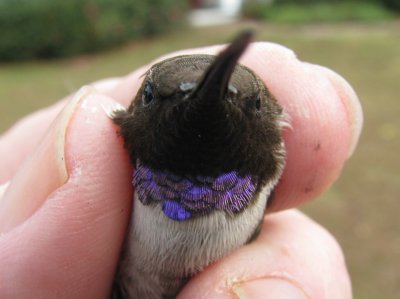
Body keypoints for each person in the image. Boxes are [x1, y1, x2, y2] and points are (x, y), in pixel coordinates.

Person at [0, 42, 362, 299]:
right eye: (152, 98)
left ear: (280, 127)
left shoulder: (263, 166)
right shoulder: (97, 166)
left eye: (252, 104)